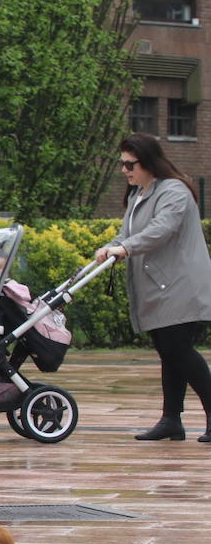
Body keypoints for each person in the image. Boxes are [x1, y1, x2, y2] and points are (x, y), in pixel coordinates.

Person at [94, 133, 211, 443]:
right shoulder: (138, 195)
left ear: (148, 162)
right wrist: (111, 247)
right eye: (122, 164)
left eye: (129, 164)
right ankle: (171, 419)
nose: (124, 170)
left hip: (181, 286)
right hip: (160, 288)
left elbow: (161, 229)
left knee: (179, 351)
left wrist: (126, 248)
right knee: (169, 353)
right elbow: (128, 233)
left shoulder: (174, 191)